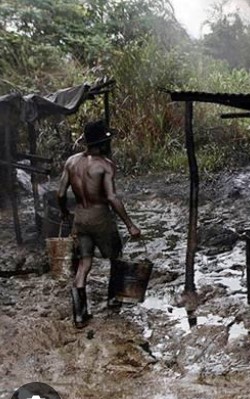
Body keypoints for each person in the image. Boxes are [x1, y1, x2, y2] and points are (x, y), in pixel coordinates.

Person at [57, 119, 141, 329]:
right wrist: (130, 224)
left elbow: (60, 193)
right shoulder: (105, 165)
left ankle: (80, 315)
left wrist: (65, 212)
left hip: (80, 219)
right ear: (102, 143)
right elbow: (112, 198)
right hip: (101, 219)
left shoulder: (71, 162)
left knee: (84, 264)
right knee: (116, 258)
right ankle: (113, 301)